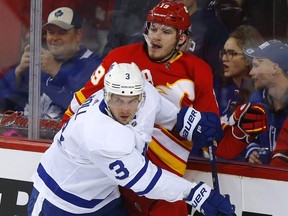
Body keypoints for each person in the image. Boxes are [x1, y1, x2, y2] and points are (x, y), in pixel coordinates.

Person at [62, 1, 223, 215]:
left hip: (161, 179)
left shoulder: (198, 70)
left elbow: (210, 135)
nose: (156, 36)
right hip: (112, 170)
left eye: (166, 31)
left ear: (181, 38)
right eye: (153, 28)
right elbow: (80, 105)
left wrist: (217, 133)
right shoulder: (120, 58)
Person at [28, 62, 234, 215]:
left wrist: (193, 123)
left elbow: (166, 113)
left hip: (103, 197)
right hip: (58, 202)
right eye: (118, 100)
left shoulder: (145, 94)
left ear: (141, 95)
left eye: (132, 100)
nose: (125, 109)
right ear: (106, 95)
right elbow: (147, 180)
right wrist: (196, 194)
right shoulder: (100, 134)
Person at [0, 7, 102, 119]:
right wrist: (17, 73)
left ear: (78, 35)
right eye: (51, 32)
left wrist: (56, 72)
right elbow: (4, 103)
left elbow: (85, 109)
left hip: (61, 135)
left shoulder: (94, 65)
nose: (54, 38)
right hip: (22, 134)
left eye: (62, 33)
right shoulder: (38, 60)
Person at [241, 40, 288, 164]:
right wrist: (253, 150)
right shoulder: (257, 99)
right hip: (263, 180)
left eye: (256, 65)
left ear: (274, 68)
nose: (251, 72)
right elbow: (251, 138)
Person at [217, 25, 264, 123]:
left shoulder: (262, 96)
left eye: (232, 53)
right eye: (224, 53)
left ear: (248, 58)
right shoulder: (219, 87)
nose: (224, 59)